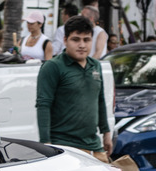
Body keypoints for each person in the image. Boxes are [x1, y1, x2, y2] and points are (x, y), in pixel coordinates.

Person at [36, 15, 112, 162]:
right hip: (65, 147)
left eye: (87, 40)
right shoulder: (52, 67)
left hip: (94, 146)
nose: (82, 45)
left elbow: (100, 100)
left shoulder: (95, 65)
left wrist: (106, 133)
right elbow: (43, 105)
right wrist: (46, 144)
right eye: (76, 39)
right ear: (65, 40)